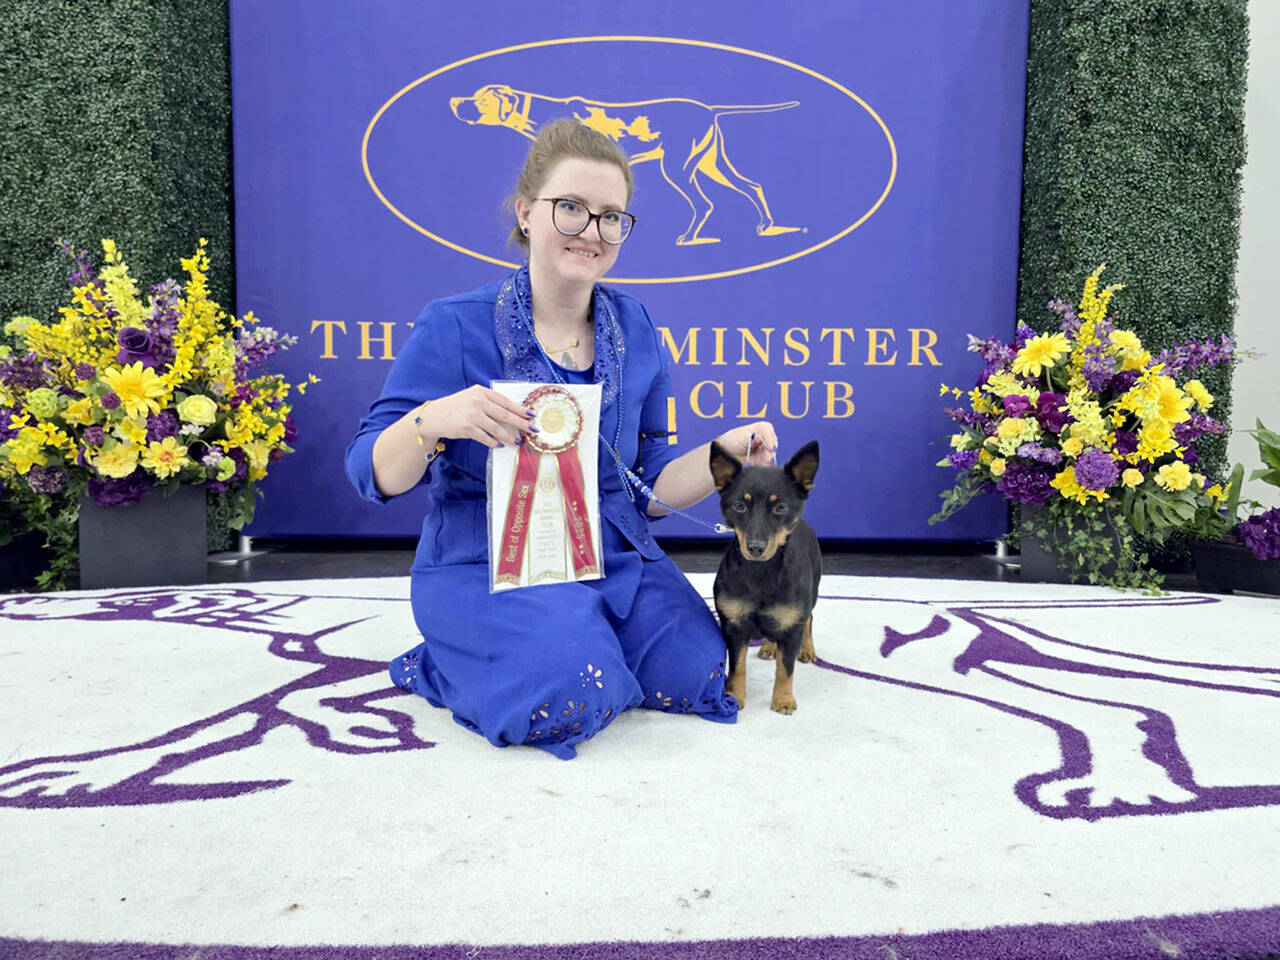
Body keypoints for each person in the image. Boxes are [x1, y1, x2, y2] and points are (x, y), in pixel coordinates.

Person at [345, 118, 778, 759]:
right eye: (570, 208)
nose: (591, 231)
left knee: (698, 672)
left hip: (610, 553)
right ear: (526, 212)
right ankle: (445, 660)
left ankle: (575, 627)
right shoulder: (453, 325)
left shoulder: (636, 325)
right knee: (571, 691)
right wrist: (432, 420)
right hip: (488, 564)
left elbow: (649, 485)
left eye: (611, 216)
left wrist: (727, 459)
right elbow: (369, 471)